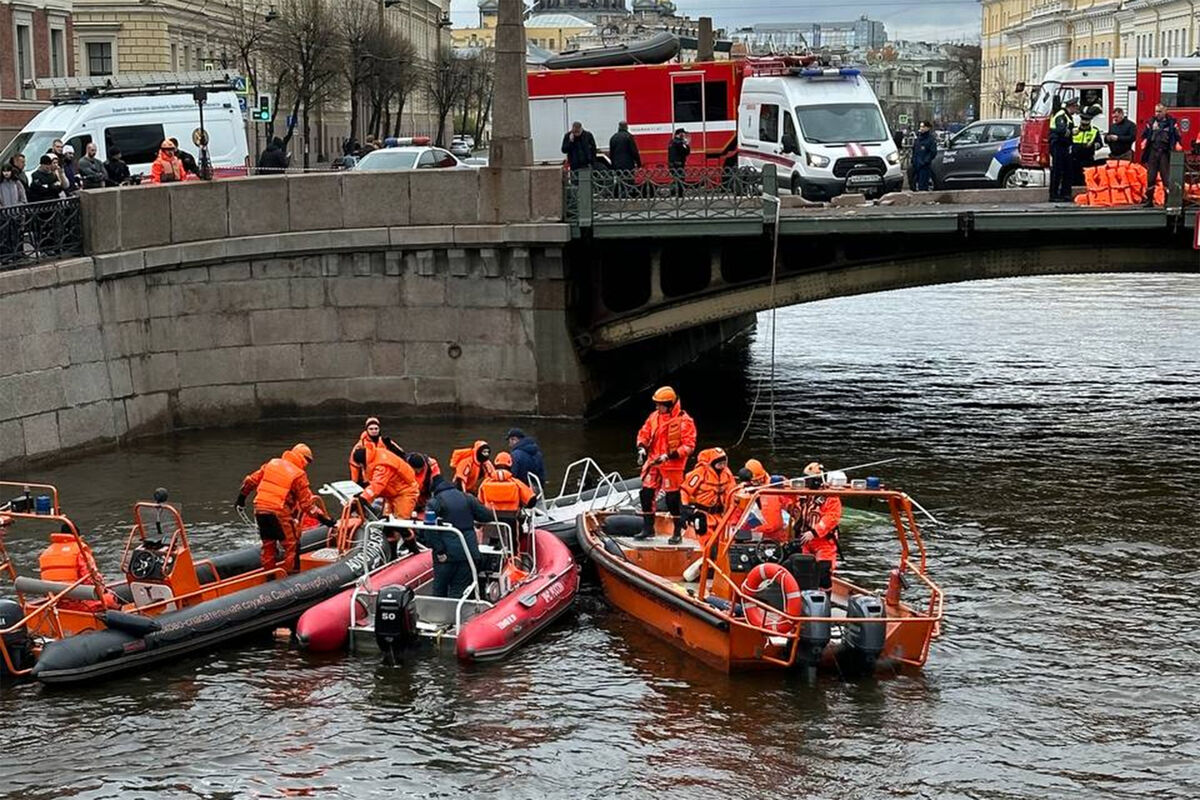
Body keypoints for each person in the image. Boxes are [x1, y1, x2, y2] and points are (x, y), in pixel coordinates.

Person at [237, 443, 336, 575]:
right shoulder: (298, 474)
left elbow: (251, 480)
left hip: (260, 509)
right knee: (292, 545)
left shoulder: (272, 463)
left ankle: (269, 578)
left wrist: (241, 498)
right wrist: (327, 521)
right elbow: (307, 505)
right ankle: (291, 578)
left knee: (268, 545)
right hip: (278, 511)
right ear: (304, 459)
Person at [409, 475, 493, 598]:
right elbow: (487, 516)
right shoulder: (467, 498)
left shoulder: (434, 503)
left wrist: (439, 551)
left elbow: (429, 531)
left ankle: (437, 615)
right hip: (468, 553)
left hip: (446, 556)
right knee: (459, 590)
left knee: (439, 590)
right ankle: (457, 614)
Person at [635, 386, 697, 543]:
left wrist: (670, 455)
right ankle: (648, 528)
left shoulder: (685, 421)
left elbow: (689, 446)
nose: (657, 407)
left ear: (669, 404)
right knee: (646, 494)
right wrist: (642, 447)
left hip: (672, 465)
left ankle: (677, 530)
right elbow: (644, 433)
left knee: (672, 499)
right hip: (654, 462)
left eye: (660, 404)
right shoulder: (654, 417)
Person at [477, 452, 538, 546]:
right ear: (510, 465)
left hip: (491, 522)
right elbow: (531, 501)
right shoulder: (516, 483)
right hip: (511, 522)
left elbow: (479, 503)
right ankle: (514, 558)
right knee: (513, 547)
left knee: (490, 545)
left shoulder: (484, 484)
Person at [794, 462, 842, 572]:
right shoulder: (806, 494)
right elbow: (796, 507)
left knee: (823, 572)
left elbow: (831, 518)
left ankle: (825, 589)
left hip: (824, 541)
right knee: (802, 569)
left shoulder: (831, 497)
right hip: (805, 540)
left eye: (808, 479)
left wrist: (814, 532)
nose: (806, 482)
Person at [681, 447, 736, 542]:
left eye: (724, 463)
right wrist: (686, 509)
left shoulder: (727, 473)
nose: (722, 466)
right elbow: (685, 490)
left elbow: (733, 491)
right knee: (706, 540)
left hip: (721, 514)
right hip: (704, 514)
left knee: (723, 540)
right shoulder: (700, 472)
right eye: (720, 463)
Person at [358, 439, 420, 519]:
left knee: (401, 522)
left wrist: (364, 497)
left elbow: (378, 484)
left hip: (404, 493)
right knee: (386, 519)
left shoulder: (382, 465)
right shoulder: (375, 455)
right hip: (392, 494)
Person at [1141, 104, 1182, 206]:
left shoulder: (1171, 123)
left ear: (1165, 112)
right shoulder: (1151, 122)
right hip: (1152, 152)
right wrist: (1144, 141)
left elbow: (1177, 136)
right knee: (1151, 178)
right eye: (1156, 111)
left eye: (1159, 111)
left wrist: (1177, 143)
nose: (1157, 114)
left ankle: (1167, 201)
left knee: (1166, 178)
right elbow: (1145, 134)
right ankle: (1149, 201)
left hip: (1164, 152)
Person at [1048, 98, 1078, 202]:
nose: (1076, 109)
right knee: (1057, 171)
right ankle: (1054, 195)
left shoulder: (1067, 116)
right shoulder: (1061, 115)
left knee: (1067, 171)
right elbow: (1061, 130)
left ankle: (1065, 194)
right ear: (1071, 106)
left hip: (1064, 146)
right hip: (1058, 146)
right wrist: (1071, 131)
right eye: (1075, 107)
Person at [348, 416, 384, 485]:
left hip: (381, 475)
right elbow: (354, 464)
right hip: (366, 478)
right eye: (371, 429)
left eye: (376, 429)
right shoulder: (360, 446)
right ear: (366, 430)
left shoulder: (385, 442)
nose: (374, 431)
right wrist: (354, 483)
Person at [1070, 112, 1102, 188]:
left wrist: (1093, 146)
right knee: (1074, 180)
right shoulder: (1074, 130)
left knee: (1087, 179)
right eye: (1083, 125)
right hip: (1075, 159)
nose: (1084, 127)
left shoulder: (1094, 131)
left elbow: (1100, 144)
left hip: (1088, 159)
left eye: (1086, 125)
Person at [911, 121, 937, 191]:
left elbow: (933, 152)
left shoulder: (930, 139)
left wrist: (925, 161)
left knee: (923, 185)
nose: (921, 128)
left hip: (924, 166)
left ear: (928, 128)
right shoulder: (918, 139)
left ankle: (923, 199)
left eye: (923, 127)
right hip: (916, 165)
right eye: (920, 127)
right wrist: (913, 160)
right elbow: (914, 150)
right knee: (915, 185)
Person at [667, 128, 690, 197]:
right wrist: (687, 144)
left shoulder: (671, 142)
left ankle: (674, 192)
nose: (684, 135)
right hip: (678, 164)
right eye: (683, 134)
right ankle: (679, 194)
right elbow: (686, 152)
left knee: (675, 179)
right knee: (680, 179)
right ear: (680, 134)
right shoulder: (679, 142)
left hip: (672, 164)